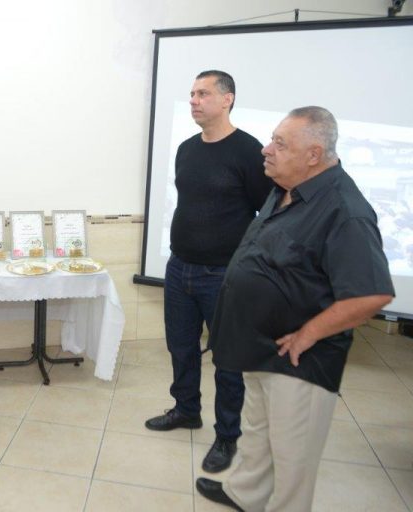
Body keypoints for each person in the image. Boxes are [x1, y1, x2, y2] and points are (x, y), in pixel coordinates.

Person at [196, 106, 394, 511]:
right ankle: (246, 495)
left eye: (280, 144)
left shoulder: (345, 210)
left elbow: (371, 295)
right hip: (260, 347)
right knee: (259, 433)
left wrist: (308, 334)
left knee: (292, 456)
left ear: (313, 155)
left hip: (299, 359)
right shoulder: (286, 188)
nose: (266, 150)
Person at [145, 70, 272, 473]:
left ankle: (227, 436)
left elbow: (268, 213)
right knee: (181, 348)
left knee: (227, 360)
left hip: (224, 276)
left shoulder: (248, 151)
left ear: (227, 99)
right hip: (179, 268)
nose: (194, 101)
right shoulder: (187, 149)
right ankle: (186, 410)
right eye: (192, 94)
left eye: (203, 94)